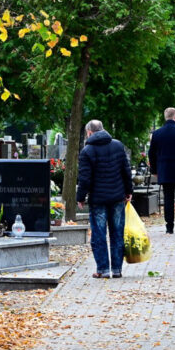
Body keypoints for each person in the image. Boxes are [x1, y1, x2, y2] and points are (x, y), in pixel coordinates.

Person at [77, 120, 133, 279]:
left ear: (89, 132)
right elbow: (126, 171)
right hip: (117, 197)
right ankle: (117, 269)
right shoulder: (117, 145)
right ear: (102, 129)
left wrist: (80, 197)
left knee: (99, 234)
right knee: (117, 233)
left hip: (98, 199)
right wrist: (129, 190)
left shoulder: (87, 151)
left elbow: (85, 178)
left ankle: (103, 269)